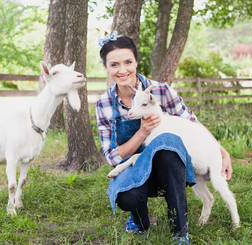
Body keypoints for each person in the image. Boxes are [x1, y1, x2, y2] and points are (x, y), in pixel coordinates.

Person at [95, 32, 233, 244]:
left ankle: (179, 231)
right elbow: (113, 158)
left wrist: (221, 151)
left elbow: (192, 122)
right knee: (127, 197)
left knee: (168, 148)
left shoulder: (160, 90)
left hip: (168, 169)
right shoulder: (104, 103)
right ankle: (139, 220)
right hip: (135, 168)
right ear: (106, 68)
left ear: (136, 62)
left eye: (128, 62)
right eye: (114, 65)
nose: (122, 70)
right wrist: (142, 132)